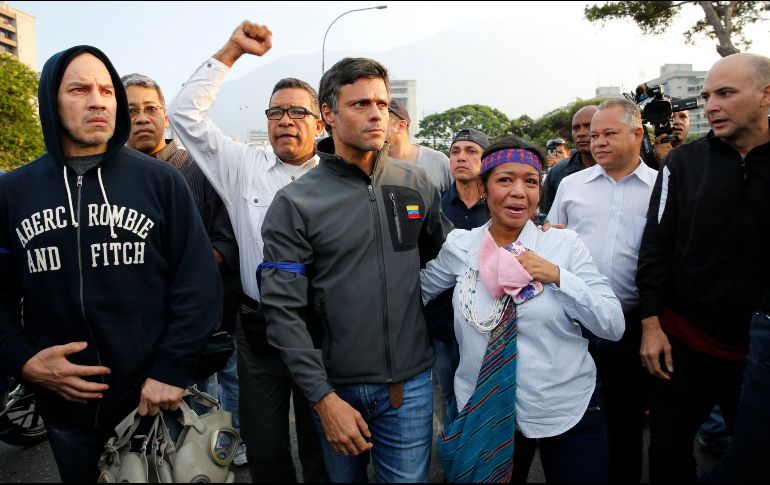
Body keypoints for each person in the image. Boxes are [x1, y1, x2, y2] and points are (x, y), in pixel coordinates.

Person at [0, 45, 222, 482]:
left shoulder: (161, 181)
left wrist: (170, 371)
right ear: (50, 99)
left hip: (154, 403)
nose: (98, 99)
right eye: (79, 89)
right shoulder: (14, 192)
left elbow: (197, 286)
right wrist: (23, 361)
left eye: (106, 89)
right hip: (66, 411)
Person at [259, 55, 451, 483]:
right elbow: (282, 312)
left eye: (382, 104)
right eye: (360, 104)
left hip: (410, 386)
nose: (376, 114)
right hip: (335, 389)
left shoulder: (414, 183)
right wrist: (323, 399)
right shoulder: (295, 203)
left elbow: (451, 258)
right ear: (328, 114)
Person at [167, 21, 328, 483]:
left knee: (324, 444)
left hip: (324, 331)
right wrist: (233, 51)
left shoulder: (336, 177)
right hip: (260, 331)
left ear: (320, 123)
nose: (284, 121)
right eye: (275, 113)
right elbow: (183, 115)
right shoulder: (242, 166)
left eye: (298, 112)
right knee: (265, 446)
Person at [421, 135, 624, 483]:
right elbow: (418, 292)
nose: (519, 191)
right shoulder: (462, 245)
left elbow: (613, 324)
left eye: (530, 181)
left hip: (566, 405)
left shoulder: (562, 245)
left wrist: (559, 276)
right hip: (484, 408)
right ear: (483, 188)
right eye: (505, 180)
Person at [636, 52, 770, 483]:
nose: (710, 105)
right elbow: (656, 245)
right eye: (708, 94)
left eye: (725, 93)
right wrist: (652, 323)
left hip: (761, 352)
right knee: (669, 453)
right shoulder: (683, 163)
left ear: (766, 94)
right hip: (685, 340)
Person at [121, 72, 244, 463]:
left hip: (206, 313)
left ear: (167, 115)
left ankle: (222, 449)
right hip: (137, 323)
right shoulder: (110, 178)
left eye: (151, 108)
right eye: (130, 110)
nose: (142, 117)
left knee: (214, 393)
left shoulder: (198, 167)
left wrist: (183, 269)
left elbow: (227, 239)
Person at [548, 98, 657, 482]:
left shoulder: (661, 188)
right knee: (573, 417)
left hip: (632, 325)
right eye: (594, 135)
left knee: (626, 420)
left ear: (638, 133)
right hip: (573, 322)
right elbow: (551, 243)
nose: (598, 142)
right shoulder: (570, 185)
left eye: (610, 133)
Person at [424, 127, 490, 412]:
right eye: (455, 152)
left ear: (486, 159)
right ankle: (452, 453)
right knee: (448, 398)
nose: (461, 157)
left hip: (489, 324)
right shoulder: (432, 204)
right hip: (442, 324)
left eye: (471, 151)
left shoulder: (500, 205)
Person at [539, 105, 598, 213]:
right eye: (576, 128)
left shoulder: (624, 169)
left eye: (588, 126)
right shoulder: (557, 172)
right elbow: (546, 218)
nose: (581, 133)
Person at [385, 98, 452, 192]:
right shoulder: (367, 165)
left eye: (381, 121)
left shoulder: (438, 162)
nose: (375, 126)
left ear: (401, 126)